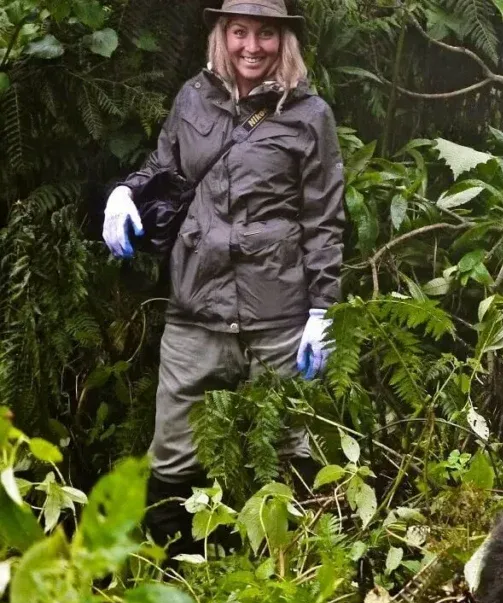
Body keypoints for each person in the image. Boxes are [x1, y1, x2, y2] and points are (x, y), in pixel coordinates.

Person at [101, 0, 345, 553]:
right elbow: (163, 167)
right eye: (239, 31)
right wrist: (124, 192)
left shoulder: (310, 117)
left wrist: (323, 310)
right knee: (173, 459)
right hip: (196, 311)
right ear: (222, 33)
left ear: (284, 39)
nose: (251, 47)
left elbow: (324, 220)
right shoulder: (193, 97)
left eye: (265, 33)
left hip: (280, 316)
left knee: (287, 451)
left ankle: (283, 581)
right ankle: (179, 578)